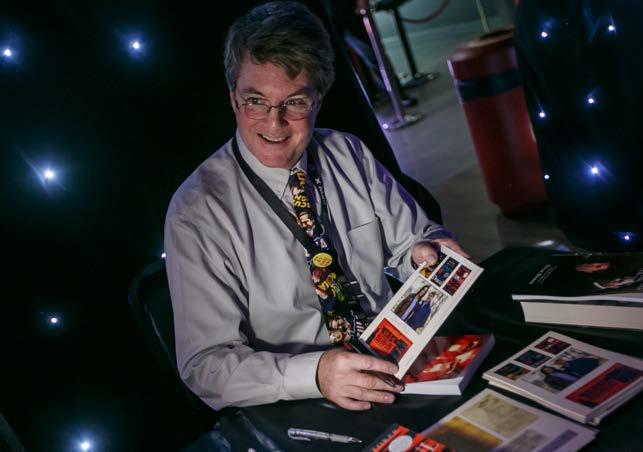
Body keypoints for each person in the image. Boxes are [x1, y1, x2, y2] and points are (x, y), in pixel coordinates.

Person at [164, 1, 467, 412]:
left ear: (318, 100)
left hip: (392, 368)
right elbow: (205, 366)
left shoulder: (348, 153)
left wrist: (425, 252)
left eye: (294, 102)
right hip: (296, 399)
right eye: (255, 101)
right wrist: (316, 374)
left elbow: (413, 242)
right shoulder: (196, 211)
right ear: (233, 98)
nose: (274, 123)